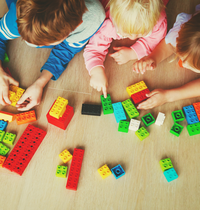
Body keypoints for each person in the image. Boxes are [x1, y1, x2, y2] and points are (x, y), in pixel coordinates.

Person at [0, 0, 105, 110]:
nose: (31, 44)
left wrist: (40, 82)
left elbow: (66, 50)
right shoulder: (20, 17)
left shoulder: (91, 18)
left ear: (76, 25)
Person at [83, 0, 169, 98]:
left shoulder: (157, 21)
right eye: (125, 32)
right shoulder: (107, 22)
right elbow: (94, 48)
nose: (132, 38)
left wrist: (133, 53)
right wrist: (96, 71)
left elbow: (154, 40)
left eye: (141, 33)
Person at [133, 5, 200, 110]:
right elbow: (170, 44)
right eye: (182, 57)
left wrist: (168, 96)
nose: (184, 64)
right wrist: (153, 57)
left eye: (193, 65)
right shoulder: (184, 29)